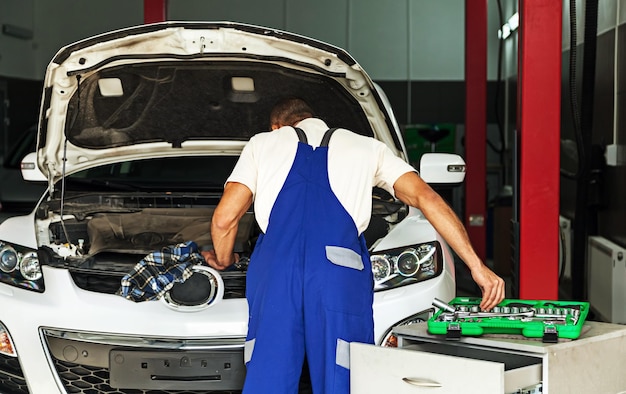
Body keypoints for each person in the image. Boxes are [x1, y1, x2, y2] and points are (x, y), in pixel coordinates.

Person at [202, 97, 505, 393]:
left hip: (276, 273)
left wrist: (224, 259)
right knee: (343, 374)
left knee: (268, 375)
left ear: (276, 127)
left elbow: (225, 219)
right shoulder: (367, 147)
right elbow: (427, 198)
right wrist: (477, 267)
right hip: (339, 275)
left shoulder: (262, 144)